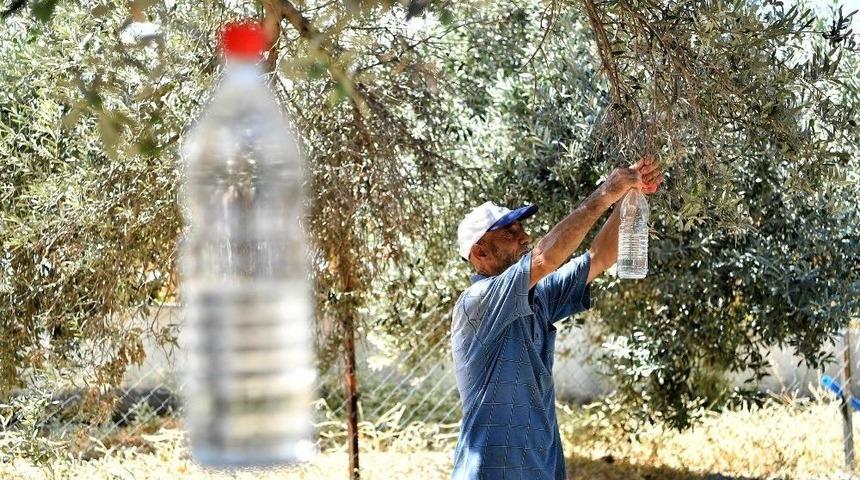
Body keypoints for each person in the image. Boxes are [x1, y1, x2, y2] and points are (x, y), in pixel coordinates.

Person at [451, 155, 663, 480]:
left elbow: (600, 256)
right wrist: (605, 192)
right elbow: (545, 259)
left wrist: (631, 194)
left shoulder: (538, 297)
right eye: (509, 233)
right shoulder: (477, 303)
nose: (523, 238)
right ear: (480, 253)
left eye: (522, 229)